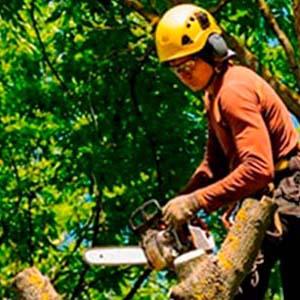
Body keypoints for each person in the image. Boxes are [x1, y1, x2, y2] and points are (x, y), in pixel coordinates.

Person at [154, 4, 300, 300]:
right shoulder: (215, 96)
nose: (183, 75)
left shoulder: (234, 90)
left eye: (188, 65)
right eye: (176, 69)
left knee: (234, 285)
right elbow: (214, 166)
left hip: (291, 190)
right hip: (276, 196)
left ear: (212, 50)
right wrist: (181, 203)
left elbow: (259, 169)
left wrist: (196, 201)